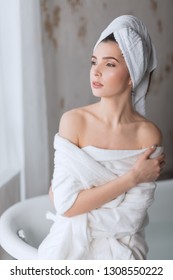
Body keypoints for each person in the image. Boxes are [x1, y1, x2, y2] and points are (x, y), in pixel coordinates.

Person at [38, 15, 165, 260]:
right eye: (94, 62)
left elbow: (131, 219)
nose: (95, 72)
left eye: (109, 64)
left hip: (125, 250)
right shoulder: (74, 122)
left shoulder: (147, 134)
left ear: (132, 76)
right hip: (68, 247)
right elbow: (65, 205)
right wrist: (133, 178)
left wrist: (76, 209)